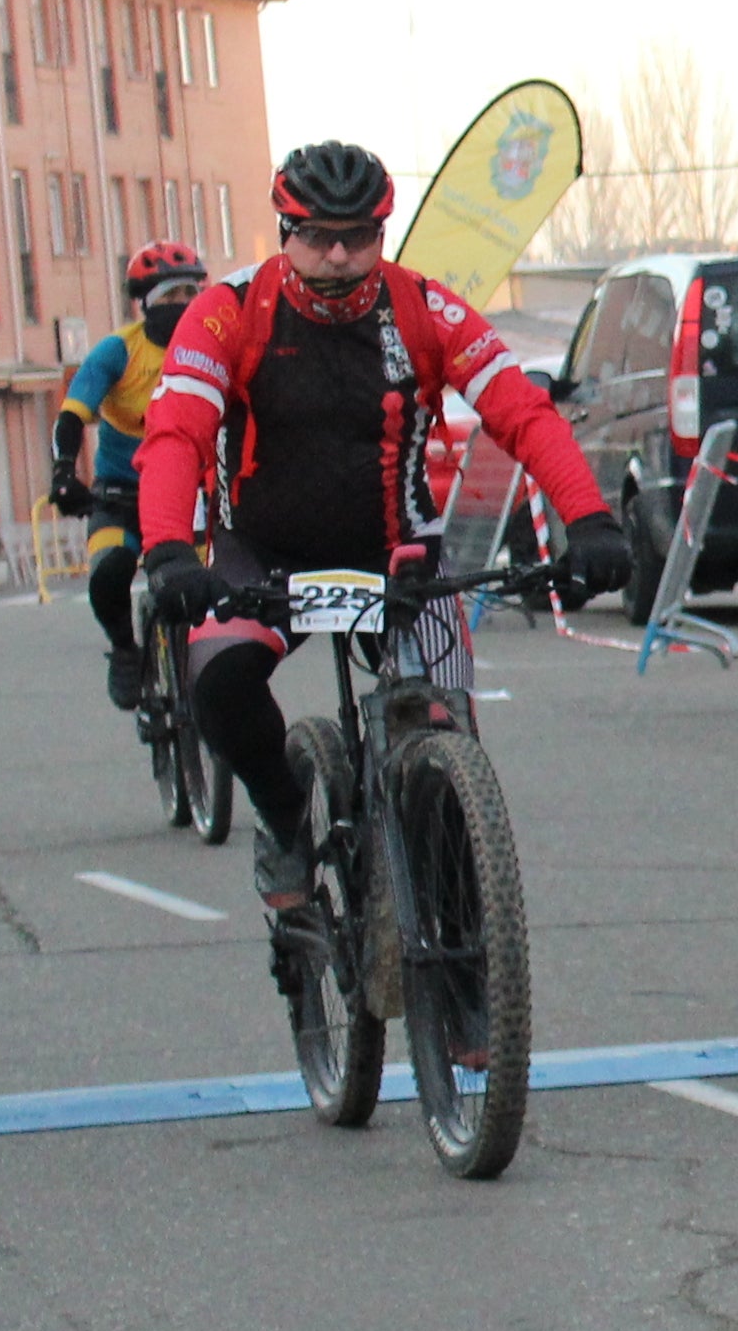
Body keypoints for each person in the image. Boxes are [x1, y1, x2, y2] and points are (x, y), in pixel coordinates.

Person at [128, 146, 633, 913]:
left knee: (448, 735)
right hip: (262, 553)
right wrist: (168, 546)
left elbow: (522, 414)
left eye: (360, 236)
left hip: (398, 551)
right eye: (319, 236)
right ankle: (286, 817)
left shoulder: (425, 307)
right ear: (284, 231)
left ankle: (465, 967)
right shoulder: (229, 309)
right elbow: (175, 431)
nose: (339, 256)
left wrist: (589, 519)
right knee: (220, 685)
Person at [49, 240, 205, 712]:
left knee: (204, 585)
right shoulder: (117, 351)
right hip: (122, 492)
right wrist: (63, 473)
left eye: (191, 295)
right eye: (171, 297)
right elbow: (73, 416)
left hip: (187, 491)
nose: (182, 307)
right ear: (146, 304)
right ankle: (123, 650)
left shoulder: (208, 346)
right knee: (110, 572)